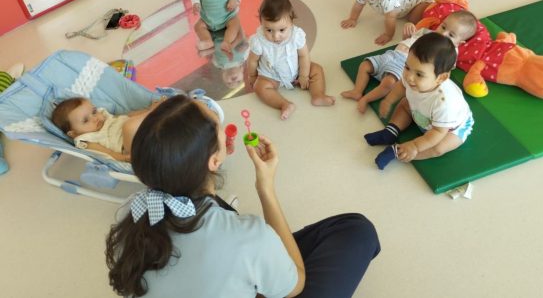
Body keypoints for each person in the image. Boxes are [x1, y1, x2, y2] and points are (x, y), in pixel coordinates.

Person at [106, 94, 380, 298]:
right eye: (218, 125)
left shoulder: (131, 215)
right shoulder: (246, 237)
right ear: (214, 161)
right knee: (357, 230)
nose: (224, 129)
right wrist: (266, 188)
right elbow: (296, 286)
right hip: (276, 273)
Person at [364, 32, 474, 170]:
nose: (409, 77)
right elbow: (401, 86)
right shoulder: (411, 78)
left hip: (448, 128)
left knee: (438, 148)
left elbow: (438, 132)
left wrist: (414, 146)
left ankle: (397, 152)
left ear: (440, 78)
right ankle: (390, 132)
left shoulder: (445, 103)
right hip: (422, 113)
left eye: (419, 74)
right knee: (404, 104)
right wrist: (389, 100)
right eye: (407, 67)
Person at [341, 10, 478, 113]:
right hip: (392, 54)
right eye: (443, 27)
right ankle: (357, 91)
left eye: (451, 35)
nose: (443, 34)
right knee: (365, 65)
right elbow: (408, 39)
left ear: (460, 43)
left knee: (389, 82)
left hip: (406, 65)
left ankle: (366, 99)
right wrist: (407, 32)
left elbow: (441, 70)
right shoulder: (426, 32)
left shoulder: (450, 53)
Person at [247, 0, 335, 120]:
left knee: (317, 69)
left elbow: (304, 55)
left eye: (282, 30)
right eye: (269, 30)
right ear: (261, 23)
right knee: (259, 87)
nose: (276, 36)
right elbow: (253, 60)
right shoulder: (259, 41)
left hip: (297, 69)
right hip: (271, 75)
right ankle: (284, 104)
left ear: (291, 23)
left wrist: (304, 75)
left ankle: (318, 95)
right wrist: (252, 75)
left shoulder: (296, 35)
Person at [52, 96, 164, 162]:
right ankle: (153, 113)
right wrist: (124, 158)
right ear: (73, 133)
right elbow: (107, 153)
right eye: (86, 120)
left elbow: (127, 116)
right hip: (130, 146)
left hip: (142, 129)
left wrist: (145, 110)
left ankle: (152, 112)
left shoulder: (104, 118)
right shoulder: (86, 140)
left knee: (130, 118)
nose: (95, 118)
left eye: (94, 111)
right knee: (128, 126)